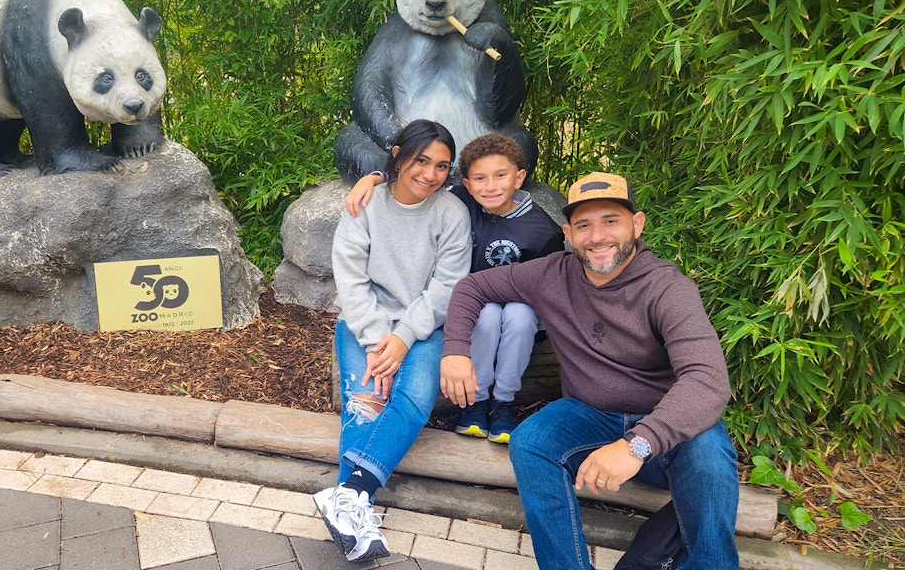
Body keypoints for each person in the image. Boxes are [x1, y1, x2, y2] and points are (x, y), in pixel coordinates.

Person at [440, 171, 739, 569]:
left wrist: (637, 444)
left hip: (663, 424)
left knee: (710, 459)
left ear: (637, 224)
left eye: (610, 221)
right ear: (568, 233)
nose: (597, 236)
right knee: (530, 442)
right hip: (589, 415)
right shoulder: (551, 274)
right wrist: (456, 351)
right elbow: (471, 287)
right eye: (583, 225)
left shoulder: (667, 288)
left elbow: (707, 380)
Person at [315, 119, 472, 563]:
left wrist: (402, 338)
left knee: (414, 398)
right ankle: (356, 508)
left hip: (423, 327)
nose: (430, 174)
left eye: (442, 166)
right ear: (399, 156)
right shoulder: (366, 204)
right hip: (364, 324)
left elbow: (447, 287)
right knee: (366, 400)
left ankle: (348, 496)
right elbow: (351, 279)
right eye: (422, 161)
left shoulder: (451, 213)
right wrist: (376, 340)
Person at [345, 133, 564, 443]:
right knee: (487, 314)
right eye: (480, 178)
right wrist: (374, 177)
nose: (490, 186)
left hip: (520, 312)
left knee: (519, 315)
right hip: (470, 309)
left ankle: (503, 402)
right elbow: (418, 178)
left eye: (501, 176)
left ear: (519, 178)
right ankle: (476, 400)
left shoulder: (542, 231)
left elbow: (546, 289)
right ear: (468, 183)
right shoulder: (461, 200)